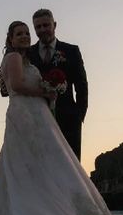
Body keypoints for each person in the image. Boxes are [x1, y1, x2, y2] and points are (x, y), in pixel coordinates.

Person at [0, 21, 112, 215]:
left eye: (26, 33)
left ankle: (45, 210)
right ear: (10, 39)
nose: (25, 37)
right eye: (19, 34)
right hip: (24, 114)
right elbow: (15, 85)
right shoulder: (14, 58)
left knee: (35, 164)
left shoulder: (25, 59)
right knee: (29, 163)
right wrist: (45, 91)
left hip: (33, 114)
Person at [28, 9, 88, 160]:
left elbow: (81, 85)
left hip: (69, 120)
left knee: (71, 167)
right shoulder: (28, 54)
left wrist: (79, 115)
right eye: (38, 27)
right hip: (38, 120)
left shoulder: (71, 51)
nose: (42, 30)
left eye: (46, 25)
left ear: (54, 25)